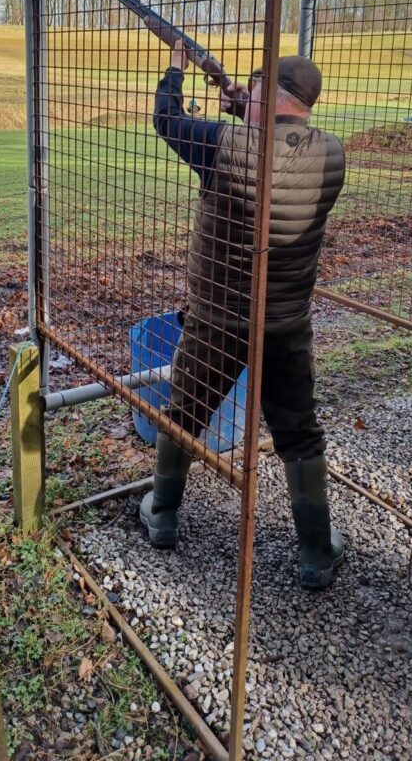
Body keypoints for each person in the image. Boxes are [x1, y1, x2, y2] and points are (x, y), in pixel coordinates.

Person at [139, 40, 346, 589]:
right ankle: (316, 552)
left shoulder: (221, 145)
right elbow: (275, 153)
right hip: (286, 323)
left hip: (217, 320)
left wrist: (177, 67)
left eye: (255, 86)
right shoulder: (332, 154)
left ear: (271, 92)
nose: (246, 92)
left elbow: (166, 118)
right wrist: (245, 108)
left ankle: (162, 515)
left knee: (183, 414)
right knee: (299, 433)